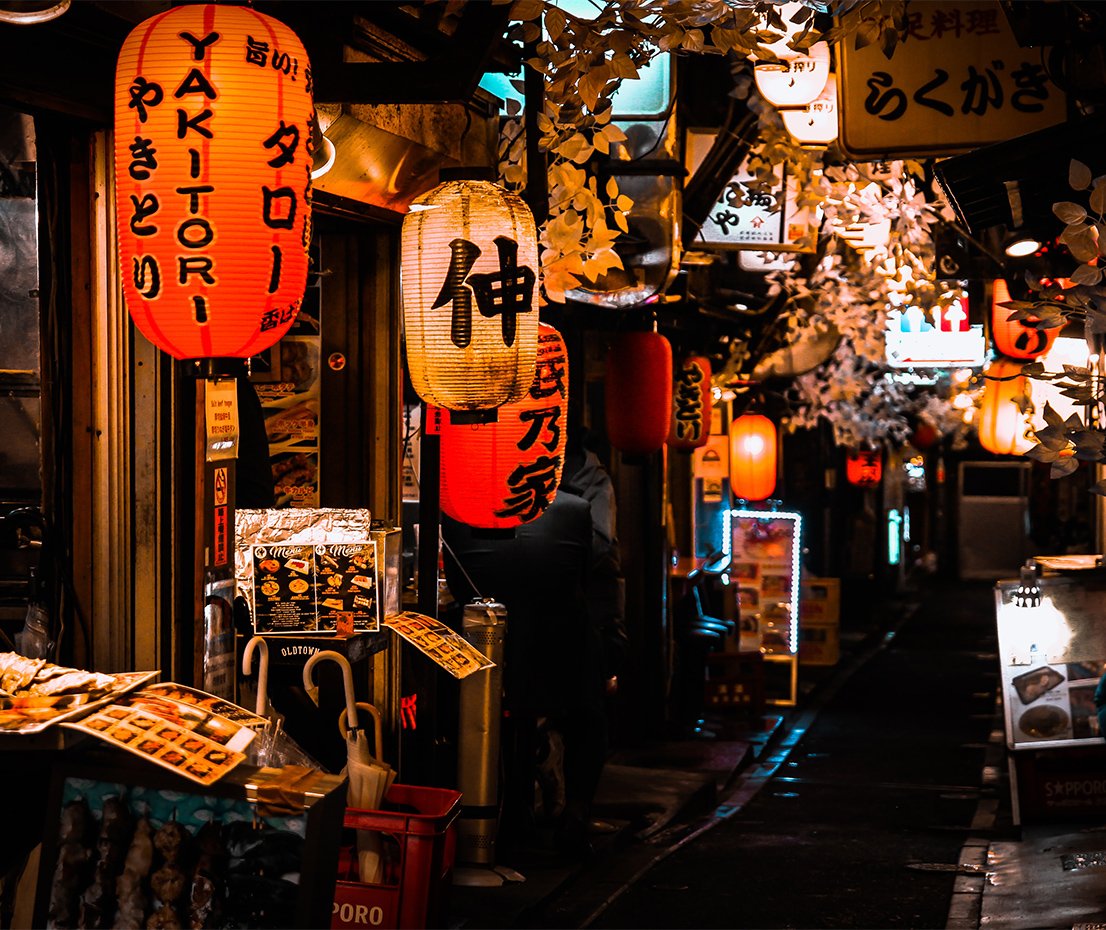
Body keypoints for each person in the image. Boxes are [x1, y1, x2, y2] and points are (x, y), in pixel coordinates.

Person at [442, 488, 607, 858]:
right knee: (589, 718)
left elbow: (456, 585)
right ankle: (576, 818)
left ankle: (507, 814)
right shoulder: (575, 508)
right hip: (560, 649)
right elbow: (581, 579)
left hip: (485, 651)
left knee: (500, 712)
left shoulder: (454, 511)